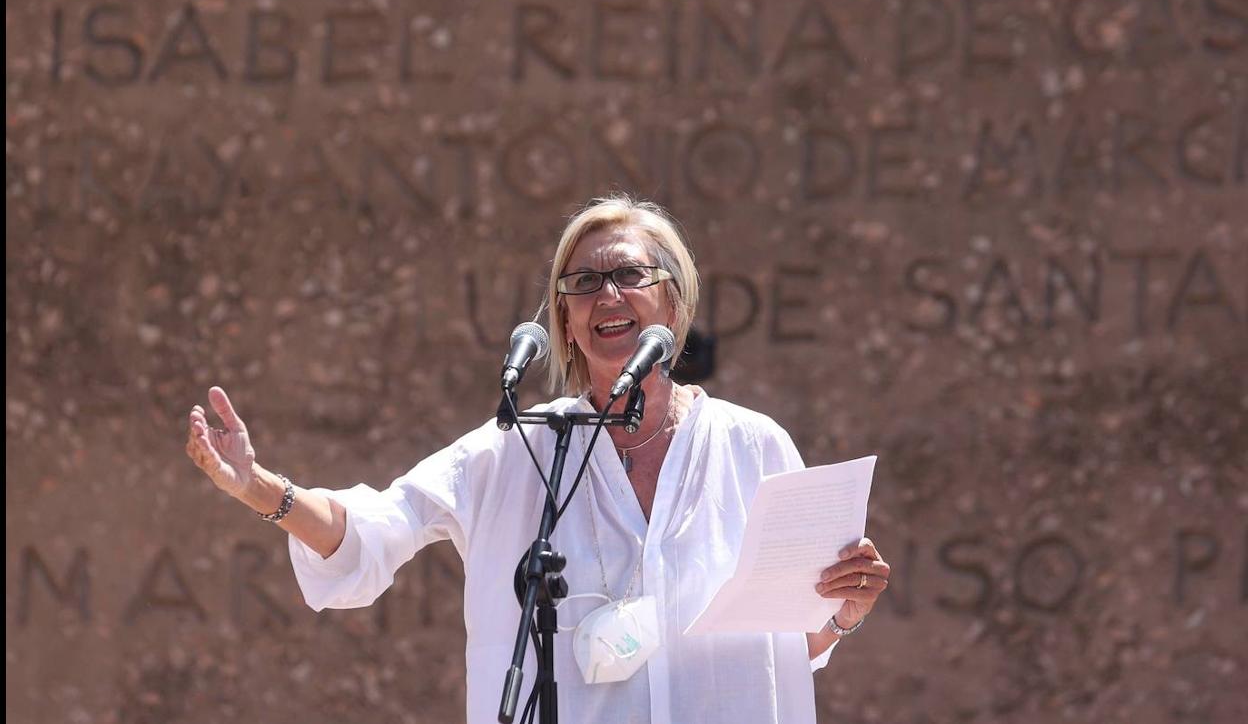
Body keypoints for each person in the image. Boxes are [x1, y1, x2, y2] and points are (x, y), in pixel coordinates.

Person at [185, 195, 891, 724]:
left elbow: (780, 649)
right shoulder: (519, 445)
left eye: (628, 275)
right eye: (582, 283)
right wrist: (260, 489)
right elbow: (374, 526)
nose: (605, 295)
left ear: (673, 305)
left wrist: (843, 612)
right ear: (565, 323)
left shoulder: (753, 446)